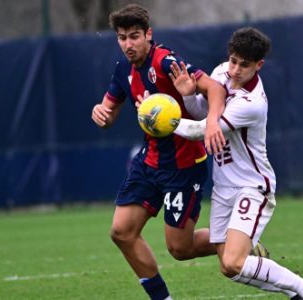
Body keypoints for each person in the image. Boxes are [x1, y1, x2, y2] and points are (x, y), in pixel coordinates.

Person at [170, 27, 303, 299]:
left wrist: (161, 119)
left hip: (252, 186)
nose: (235, 70)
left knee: (234, 261)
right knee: (228, 267)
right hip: (223, 188)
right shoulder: (221, 71)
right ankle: (300, 293)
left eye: (244, 65)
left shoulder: (252, 103)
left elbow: (202, 130)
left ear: (259, 66)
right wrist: (188, 96)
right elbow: (205, 114)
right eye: (233, 60)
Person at [91, 4, 227, 300]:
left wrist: (212, 123)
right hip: (149, 162)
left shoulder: (166, 62)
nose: (128, 44)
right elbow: (109, 111)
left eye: (135, 36)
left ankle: (235, 239)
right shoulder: (123, 69)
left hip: (183, 166)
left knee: (181, 249)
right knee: (122, 231)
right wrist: (100, 112)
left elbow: (215, 88)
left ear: (148, 34)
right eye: (122, 37)